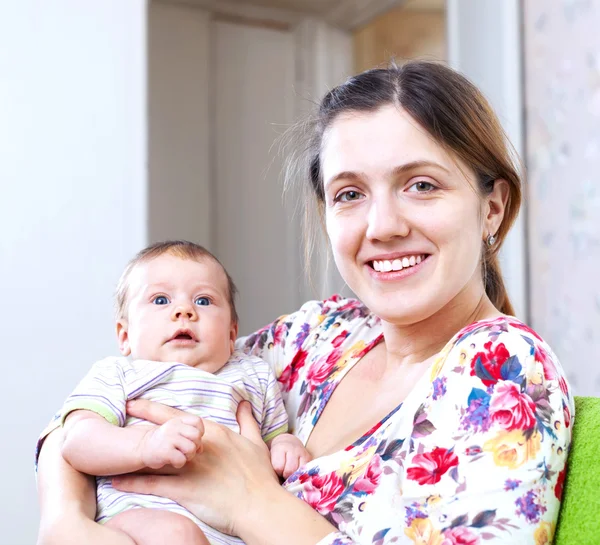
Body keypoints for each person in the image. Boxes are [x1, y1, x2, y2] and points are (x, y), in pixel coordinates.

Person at [36, 61, 573, 545]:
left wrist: (252, 502)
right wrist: (63, 518)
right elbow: (108, 398)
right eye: (350, 194)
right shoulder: (315, 337)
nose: (382, 226)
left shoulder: (503, 371)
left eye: (421, 185)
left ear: (492, 209)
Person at [39, 240, 311, 545]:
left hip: (233, 532)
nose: (184, 310)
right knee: (176, 535)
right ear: (125, 335)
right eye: (160, 300)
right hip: (139, 521)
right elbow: (76, 442)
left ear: (231, 333)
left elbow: (274, 437)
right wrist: (145, 444)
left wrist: (287, 444)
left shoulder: (254, 374)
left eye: (204, 301)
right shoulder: (118, 375)